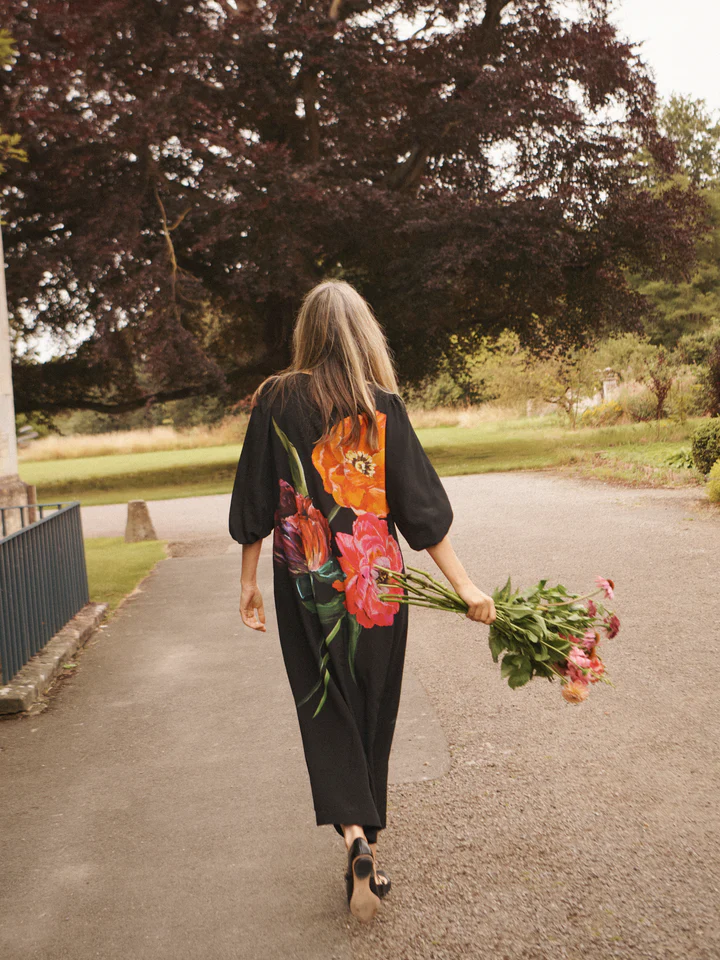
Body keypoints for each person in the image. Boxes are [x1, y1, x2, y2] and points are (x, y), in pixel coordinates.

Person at [228, 279, 496, 923]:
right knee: (372, 704)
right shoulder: (383, 406)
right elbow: (420, 508)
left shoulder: (274, 399)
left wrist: (246, 580)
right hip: (377, 582)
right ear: (362, 333)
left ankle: (353, 838)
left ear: (307, 333)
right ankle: (367, 840)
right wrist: (465, 585)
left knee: (326, 706)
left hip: (305, 583)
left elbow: (256, 494)